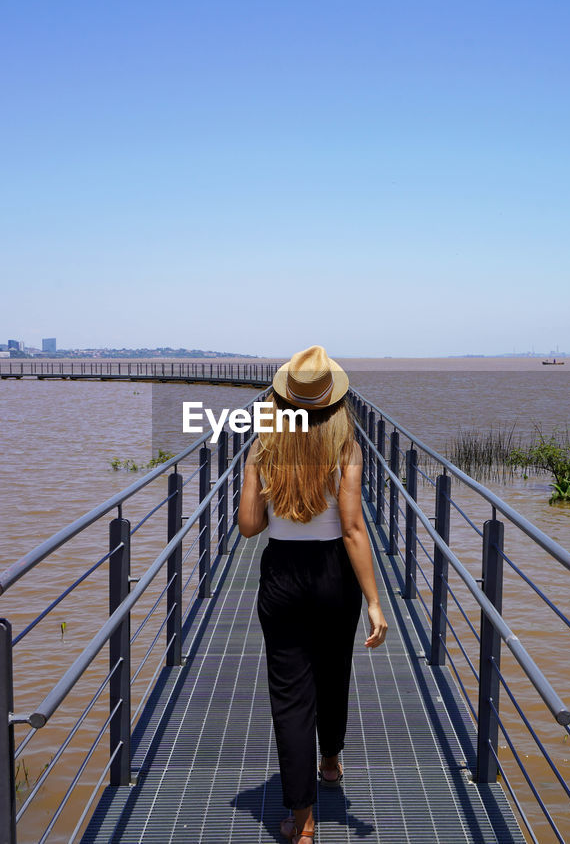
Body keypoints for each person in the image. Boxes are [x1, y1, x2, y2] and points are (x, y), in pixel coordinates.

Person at [238, 345, 389, 844]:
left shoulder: (264, 445)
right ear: (333, 402)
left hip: (283, 573)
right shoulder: (346, 448)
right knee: (333, 671)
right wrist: (373, 601)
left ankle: (301, 821)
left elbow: (248, 527)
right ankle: (330, 762)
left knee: (290, 696)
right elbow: (352, 530)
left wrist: (253, 474)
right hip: (334, 575)